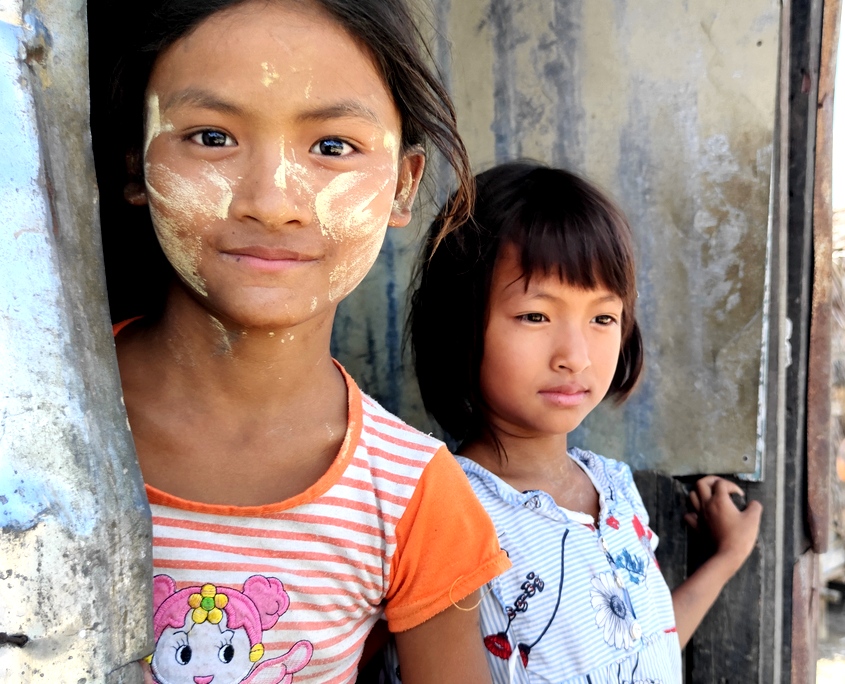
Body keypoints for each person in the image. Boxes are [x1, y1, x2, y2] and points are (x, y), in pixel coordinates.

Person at [92, 1, 512, 683]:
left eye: (331, 147)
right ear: (135, 162)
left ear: (402, 186)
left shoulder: (412, 499)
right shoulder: (30, 422)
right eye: (209, 136)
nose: (270, 200)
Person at [405, 161, 763, 683]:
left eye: (602, 317)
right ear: (459, 325)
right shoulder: (449, 514)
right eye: (535, 315)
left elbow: (638, 649)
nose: (575, 355)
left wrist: (726, 558)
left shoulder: (613, 489)